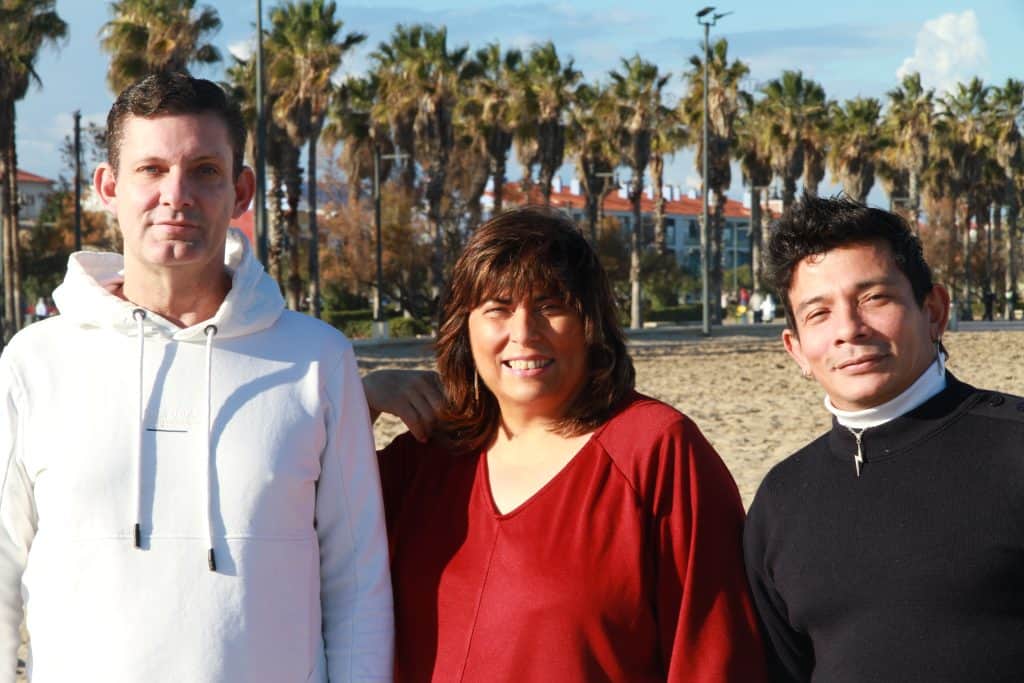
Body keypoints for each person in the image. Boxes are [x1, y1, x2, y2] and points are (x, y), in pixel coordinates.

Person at [0, 73, 392, 682]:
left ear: (241, 191)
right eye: (151, 169)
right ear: (109, 188)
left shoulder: (318, 359)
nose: (176, 195)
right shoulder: (34, 362)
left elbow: (358, 582)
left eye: (204, 170)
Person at [370, 207, 767, 682]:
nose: (523, 333)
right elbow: (295, 547)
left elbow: (713, 656)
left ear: (589, 324)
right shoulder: (421, 459)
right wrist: (357, 402)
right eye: (498, 308)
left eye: (550, 305)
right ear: (464, 327)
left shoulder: (655, 451)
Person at [743, 195, 1024, 682]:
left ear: (933, 312)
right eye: (818, 313)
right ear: (797, 350)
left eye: (874, 299)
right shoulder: (780, 500)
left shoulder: (1015, 449)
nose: (849, 330)